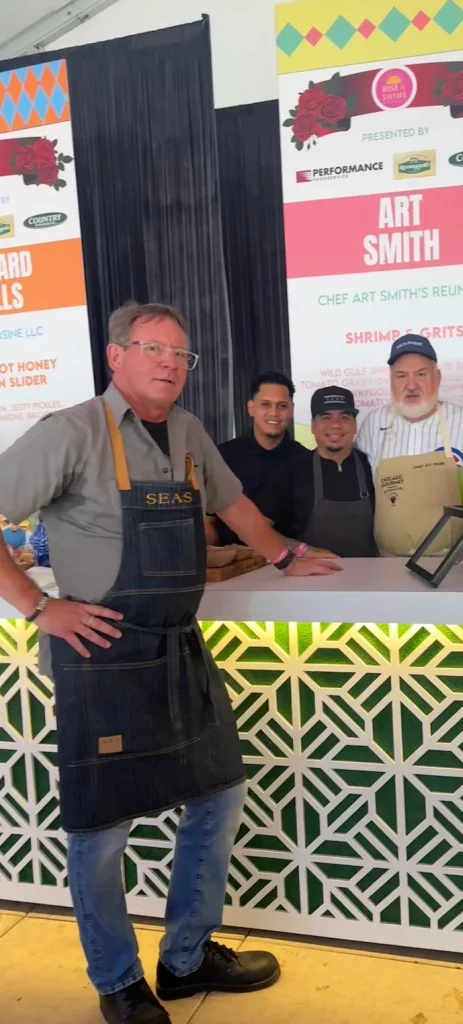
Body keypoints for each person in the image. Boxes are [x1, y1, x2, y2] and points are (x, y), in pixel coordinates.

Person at [0, 301, 341, 1024]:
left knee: (217, 795)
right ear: (116, 355)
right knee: (101, 831)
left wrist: (287, 555)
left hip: (178, 645)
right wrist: (36, 604)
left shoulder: (186, 432)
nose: (168, 363)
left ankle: (185, 959)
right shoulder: (71, 432)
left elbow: (234, 502)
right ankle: (118, 981)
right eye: (153, 348)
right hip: (100, 657)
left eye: (180, 355)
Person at [357, 334, 463, 556]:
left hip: (456, 564)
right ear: (391, 380)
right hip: (387, 564)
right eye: (401, 376)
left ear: (437, 377)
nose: (411, 385)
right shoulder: (374, 424)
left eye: (421, 374)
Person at [258, 386, 378, 558]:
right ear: (313, 425)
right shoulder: (293, 469)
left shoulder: (371, 465)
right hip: (309, 580)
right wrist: (301, 550)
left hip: (368, 578)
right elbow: (258, 527)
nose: (335, 425)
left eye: (344, 417)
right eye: (325, 417)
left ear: (354, 425)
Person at [213, 371, 303, 546]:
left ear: (291, 410)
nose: (274, 413)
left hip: (293, 564)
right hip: (234, 565)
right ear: (251, 408)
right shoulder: (222, 456)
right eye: (265, 404)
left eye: (282, 406)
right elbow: (207, 521)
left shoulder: (305, 460)